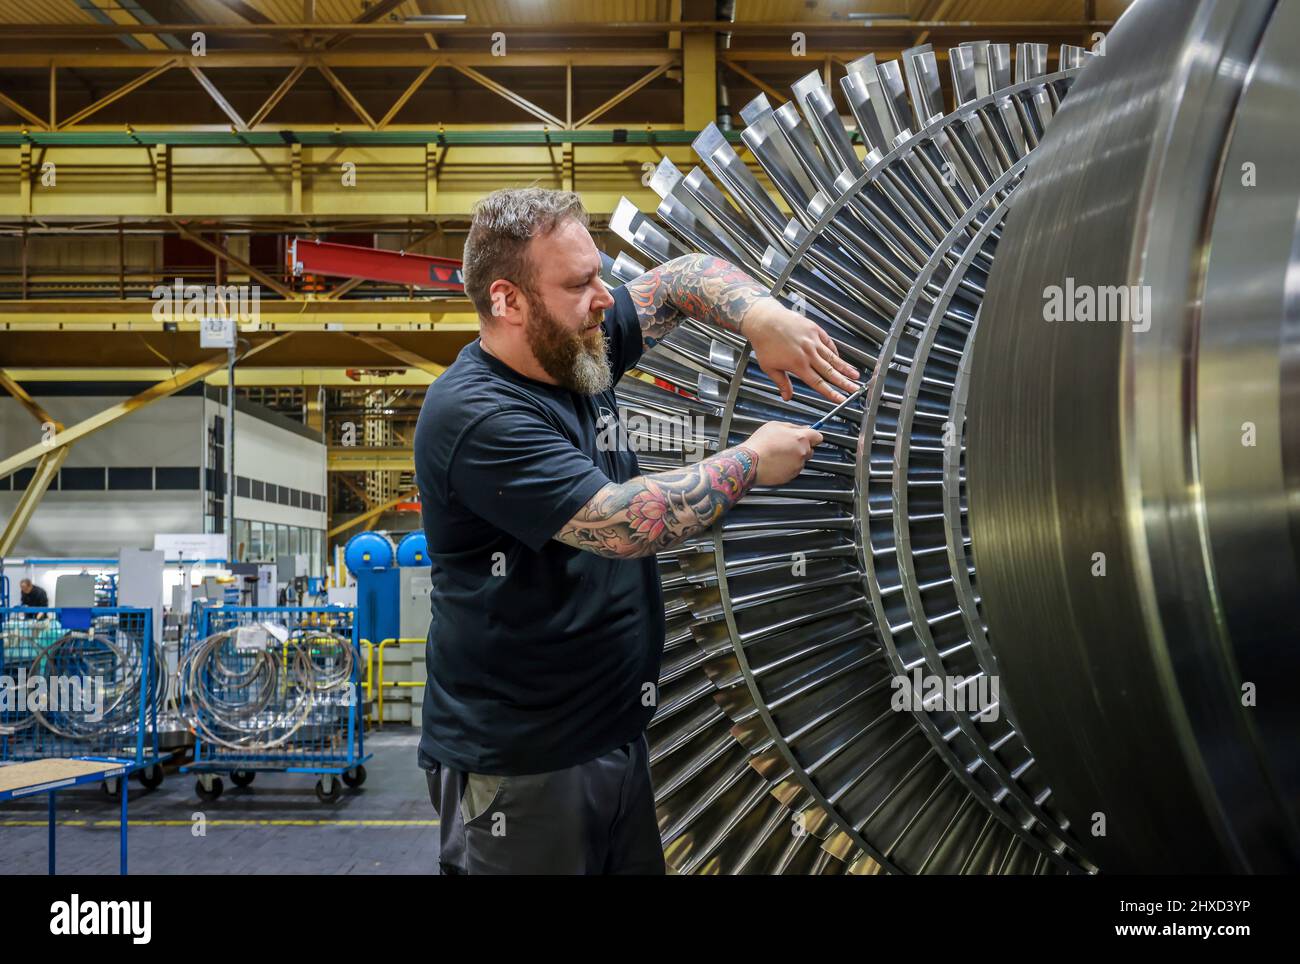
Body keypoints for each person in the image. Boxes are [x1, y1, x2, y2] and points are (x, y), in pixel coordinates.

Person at [414, 187, 860, 875]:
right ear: (507, 301)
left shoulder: (575, 348)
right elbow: (620, 523)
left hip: (612, 739)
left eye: (598, 274)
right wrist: (751, 460)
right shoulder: (475, 415)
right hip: (522, 765)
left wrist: (764, 317)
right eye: (578, 283)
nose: (603, 296)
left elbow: (683, 280)